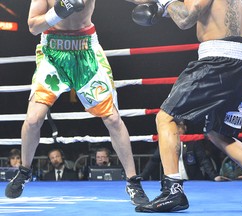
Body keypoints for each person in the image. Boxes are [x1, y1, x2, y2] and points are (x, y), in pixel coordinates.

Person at [126, 0, 242, 212]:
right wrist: (163, 6)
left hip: (218, 59)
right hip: (241, 60)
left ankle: (173, 191)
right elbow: (197, 12)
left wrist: (167, 3)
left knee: (166, 118)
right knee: (218, 132)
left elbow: (185, 19)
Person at [5, 0, 149, 206]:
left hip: (87, 51)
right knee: (33, 119)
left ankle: (133, 182)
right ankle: (24, 172)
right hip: (52, 54)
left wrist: (163, 4)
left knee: (113, 119)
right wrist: (59, 11)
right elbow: (33, 26)